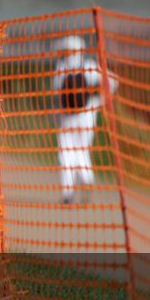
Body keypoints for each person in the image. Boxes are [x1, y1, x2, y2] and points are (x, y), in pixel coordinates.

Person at [52, 35, 116, 205]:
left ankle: (68, 192)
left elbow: (57, 96)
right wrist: (100, 101)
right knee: (81, 150)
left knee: (66, 152)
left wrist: (56, 115)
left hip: (67, 117)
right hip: (88, 115)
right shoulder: (89, 66)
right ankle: (87, 181)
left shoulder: (61, 68)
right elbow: (113, 81)